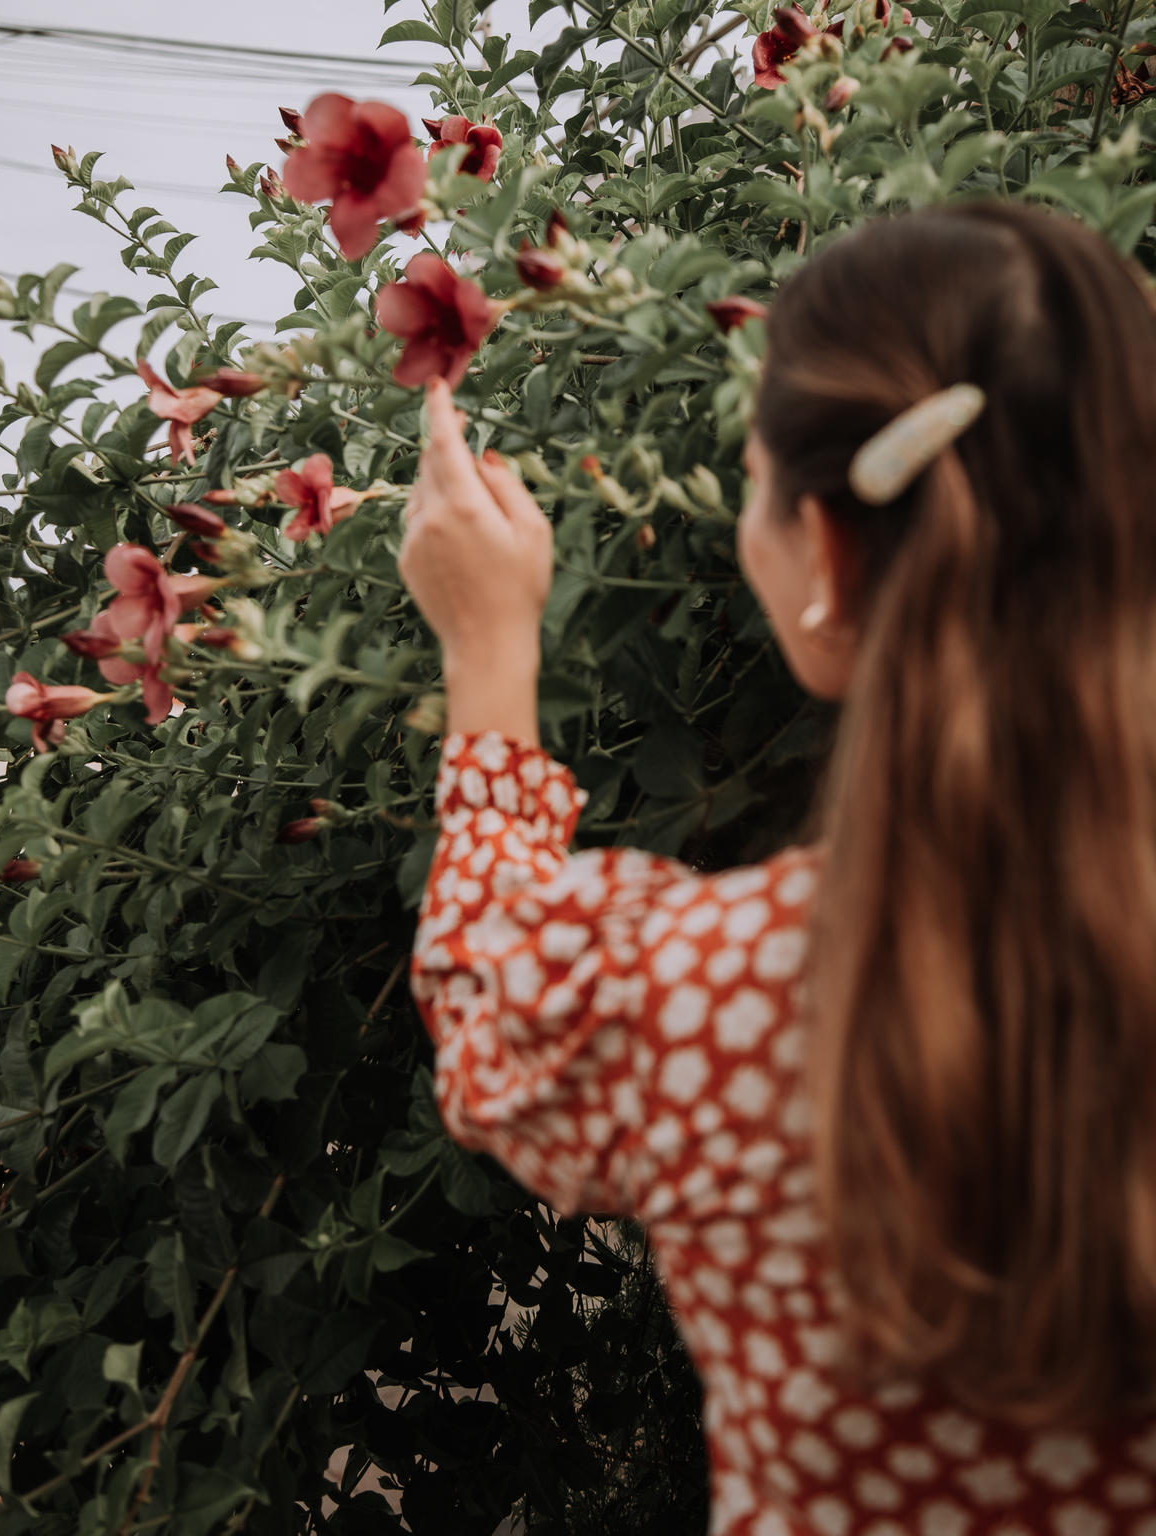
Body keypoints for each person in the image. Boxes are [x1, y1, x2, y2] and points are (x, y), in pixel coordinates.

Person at [399, 203, 1156, 1536]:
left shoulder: (702, 998)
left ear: (835, 559)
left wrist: (488, 649)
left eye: (755, 473)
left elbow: (485, 994)